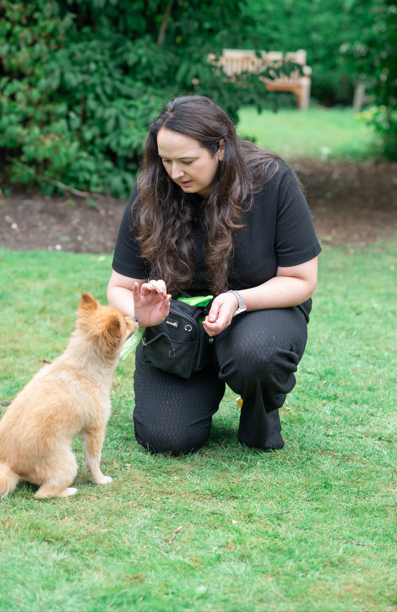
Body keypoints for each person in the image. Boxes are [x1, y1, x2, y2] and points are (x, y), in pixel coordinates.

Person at [107, 95, 321, 455]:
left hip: (257, 313)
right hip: (176, 326)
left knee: (257, 354)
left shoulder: (271, 180)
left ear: (220, 148)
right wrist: (139, 313)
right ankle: (202, 375)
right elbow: (118, 286)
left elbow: (301, 279)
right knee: (166, 440)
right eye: (166, 160)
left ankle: (258, 403)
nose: (175, 173)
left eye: (187, 161)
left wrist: (239, 299)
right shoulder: (152, 188)